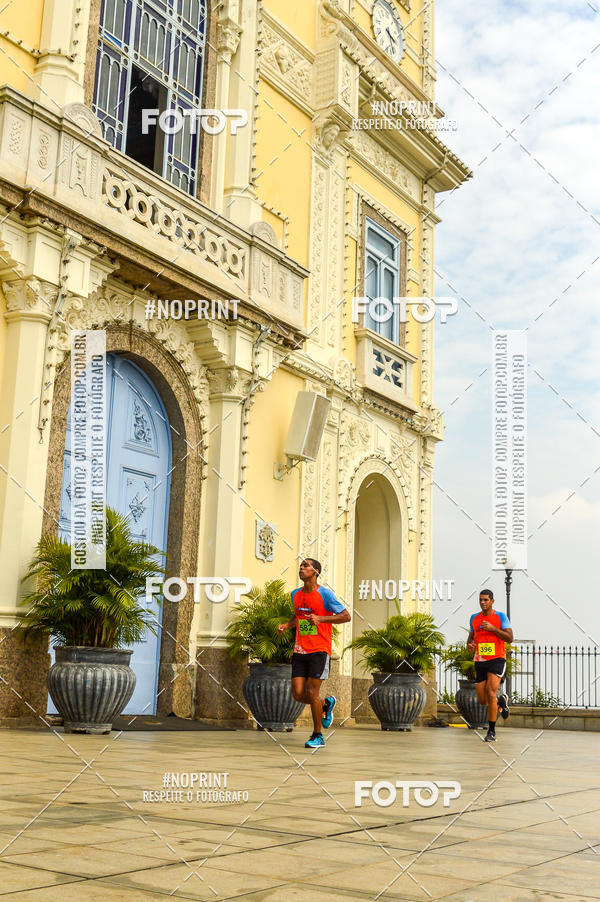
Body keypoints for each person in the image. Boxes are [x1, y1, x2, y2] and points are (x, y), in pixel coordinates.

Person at [278, 559, 351, 748]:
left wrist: (321, 618)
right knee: (298, 694)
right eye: (300, 566)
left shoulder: (325, 594)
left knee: (312, 692)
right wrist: (287, 625)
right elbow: (298, 617)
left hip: (320, 650)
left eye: (306, 566)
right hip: (300, 650)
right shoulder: (295, 594)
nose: (301, 568)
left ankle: (317, 735)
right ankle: (326, 704)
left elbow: (346, 616)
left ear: (316, 572)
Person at [467, 589, 513, 742]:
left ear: (492, 601)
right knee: (483, 700)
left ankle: (491, 732)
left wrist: (493, 629)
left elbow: (510, 638)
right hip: (480, 661)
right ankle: (501, 702)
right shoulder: (474, 618)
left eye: (486, 600)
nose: (483, 602)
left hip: (497, 659)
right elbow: (471, 638)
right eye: (481, 600)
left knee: (491, 692)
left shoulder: (500, 617)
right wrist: (470, 645)